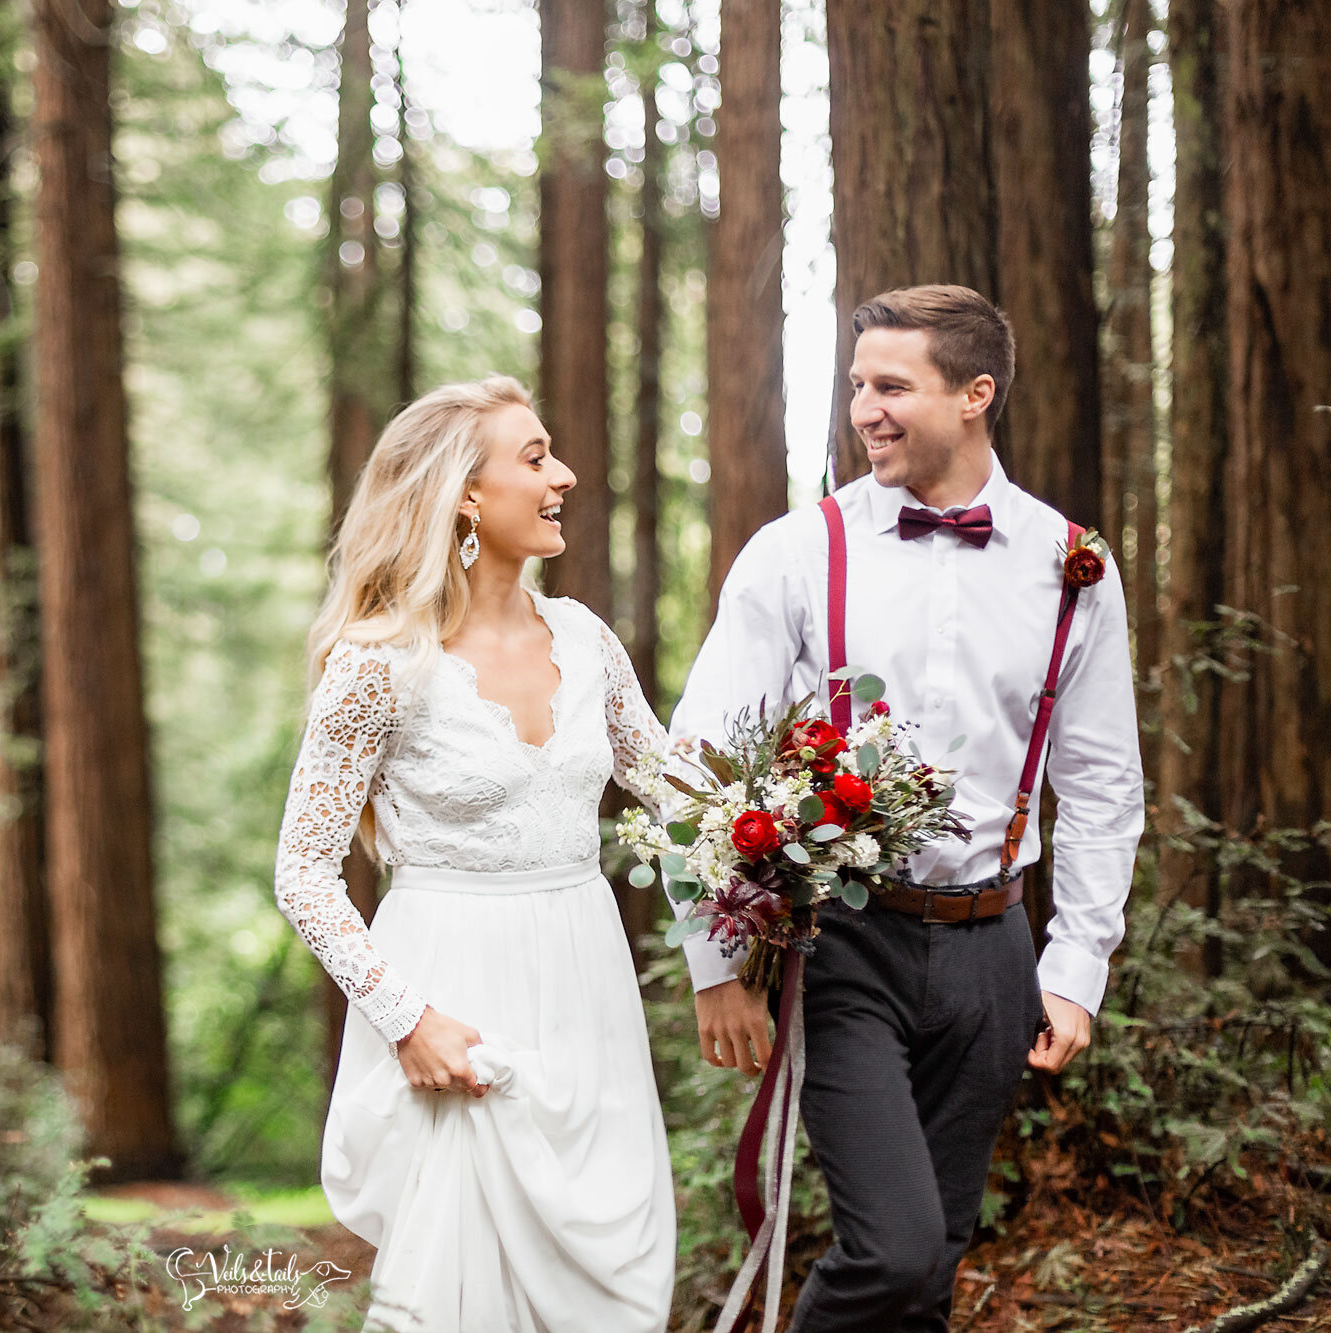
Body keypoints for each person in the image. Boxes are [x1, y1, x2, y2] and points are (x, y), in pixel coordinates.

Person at [673, 285, 1143, 1331]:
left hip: (992, 953)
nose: (864, 410)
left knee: (934, 1262)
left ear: (975, 394)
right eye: (855, 387)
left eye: (891, 386)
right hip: (844, 942)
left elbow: (1104, 785)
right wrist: (717, 961)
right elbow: (695, 756)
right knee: (889, 1247)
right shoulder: (798, 551)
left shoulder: (1072, 568)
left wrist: (1073, 969)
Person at [273, 375, 677, 1332]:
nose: (564, 475)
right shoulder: (378, 665)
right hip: (451, 991)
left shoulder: (585, 639)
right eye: (535, 458)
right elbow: (303, 872)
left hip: (588, 983)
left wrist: (814, 818)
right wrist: (407, 1018)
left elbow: (679, 787)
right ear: (464, 492)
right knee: (461, 1289)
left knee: (613, 1282)